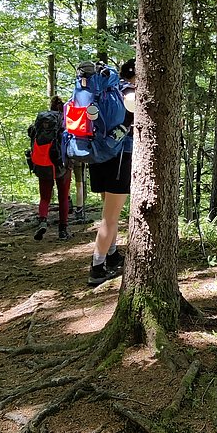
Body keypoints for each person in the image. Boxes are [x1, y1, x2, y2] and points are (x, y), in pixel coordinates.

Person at [87, 59, 136, 285]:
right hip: (119, 159)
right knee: (111, 218)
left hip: (97, 156)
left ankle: (112, 254)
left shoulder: (108, 93)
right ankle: (97, 268)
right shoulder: (131, 96)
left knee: (108, 213)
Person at [30, 96, 72, 241]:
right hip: (61, 165)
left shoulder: (41, 123)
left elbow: (31, 135)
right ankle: (63, 230)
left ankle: (42, 221)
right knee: (63, 197)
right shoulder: (64, 123)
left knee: (45, 198)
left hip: (42, 164)